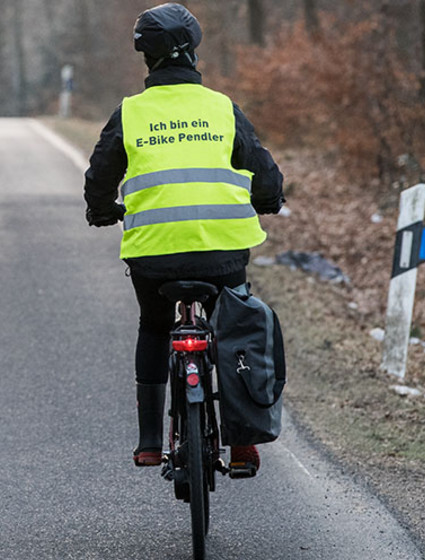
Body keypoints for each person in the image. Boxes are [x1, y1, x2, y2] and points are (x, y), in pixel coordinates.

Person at [82, 3, 285, 474]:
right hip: (223, 251)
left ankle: (151, 441)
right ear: (193, 49)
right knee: (234, 328)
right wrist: (268, 199)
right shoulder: (220, 108)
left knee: (154, 327)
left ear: (146, 57)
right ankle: (242, 443)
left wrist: (101, 211)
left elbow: (100, 176)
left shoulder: (130, 113)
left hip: (154, 254)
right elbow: (265, 172)